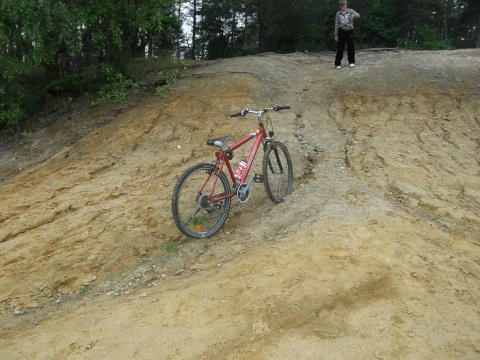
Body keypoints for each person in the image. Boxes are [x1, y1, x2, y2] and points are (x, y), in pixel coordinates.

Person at [334, 0, 360, 69]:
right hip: (342, 31)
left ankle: (351, 62)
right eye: (341, 6)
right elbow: (336, 24)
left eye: (344, 6)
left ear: (346, 5)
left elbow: (358, 15)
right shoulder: (338, 13)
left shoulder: (351, 11)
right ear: (340, 6)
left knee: (351, 47)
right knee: (340, 48)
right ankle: (337, 63)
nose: (343, 8)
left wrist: (354, 15)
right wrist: (336, 35)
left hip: (350, 30)